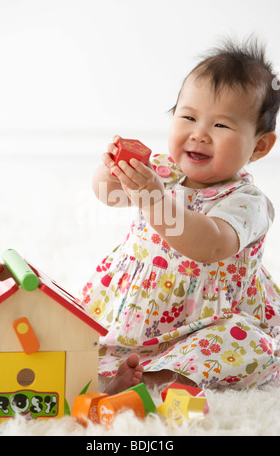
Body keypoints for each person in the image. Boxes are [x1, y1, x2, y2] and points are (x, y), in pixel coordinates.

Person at [80, 38, 280, 394]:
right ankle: (119, 363)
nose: (199, 134)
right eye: (188, 117)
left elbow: (209, 244)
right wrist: (112, 168)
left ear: (259, 146)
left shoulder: (248, 202)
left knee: (251, 347)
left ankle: (155, 377)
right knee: (80, 327)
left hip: (210, 316)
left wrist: (155, 200)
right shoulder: (160, 169)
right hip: (139, 306)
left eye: (221, 126)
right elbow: (108, 194)